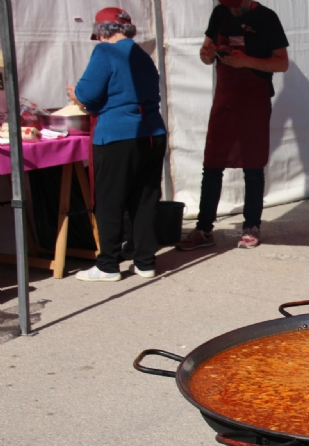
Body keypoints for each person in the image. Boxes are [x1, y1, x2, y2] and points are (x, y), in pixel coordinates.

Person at [177, 0, 289, 251]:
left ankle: (251, 226)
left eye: (236, 5)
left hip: (255, 98)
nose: (232, 9)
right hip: (225, 98)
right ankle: (204, 229)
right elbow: (206, 51)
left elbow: (282, 62)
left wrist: (246, 60)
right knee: (212, 163)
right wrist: (206, 55)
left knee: (252, 164)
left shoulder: (266, 18)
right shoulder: (219, 14)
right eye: (228, 5)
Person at [67, 7, 167, 281]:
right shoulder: (143, 56)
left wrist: (76, 94)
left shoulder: (104, 52)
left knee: (110, 200)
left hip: (118, 135)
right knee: (145, 198)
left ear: (101, 32)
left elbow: (89, 93)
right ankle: (145, 262)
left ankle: (108, 265)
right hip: (152, 132)